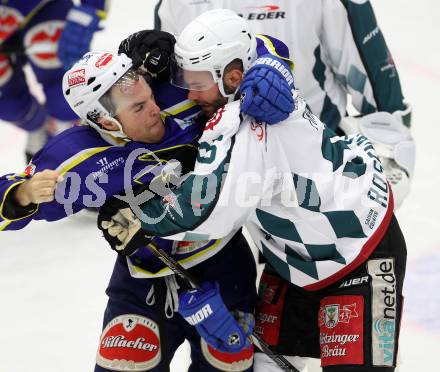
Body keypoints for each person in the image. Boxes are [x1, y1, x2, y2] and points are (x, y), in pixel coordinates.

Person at [98, 9, 407, 372]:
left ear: (231, 77)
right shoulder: (250, 73)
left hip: (360, 251)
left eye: (197, 83)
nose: (190, 95)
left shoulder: (238, 123)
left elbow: (207, 210)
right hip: (293, 262)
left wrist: (137, 214)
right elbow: (259, 44)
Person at [0, 27, 296, 370]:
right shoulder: (78, 157)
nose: (155, 108)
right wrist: (20, 194)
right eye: (139, 107)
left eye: (150, 96)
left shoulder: (179, 94)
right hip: (141, 282)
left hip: (222, 264)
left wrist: (179, 55)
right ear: (105, 121)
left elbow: (262, 48)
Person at [154, 0, 415, 209]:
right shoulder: (176, 3)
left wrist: (390, 156)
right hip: (219, 182)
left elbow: (376, 88)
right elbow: (170, 94)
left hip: (316, 180)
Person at [0, 0, 107, 161]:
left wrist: (89, 9)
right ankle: (37, 125)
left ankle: (63, 128)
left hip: (41, 7)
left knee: (64, 89)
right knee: (10, 106)